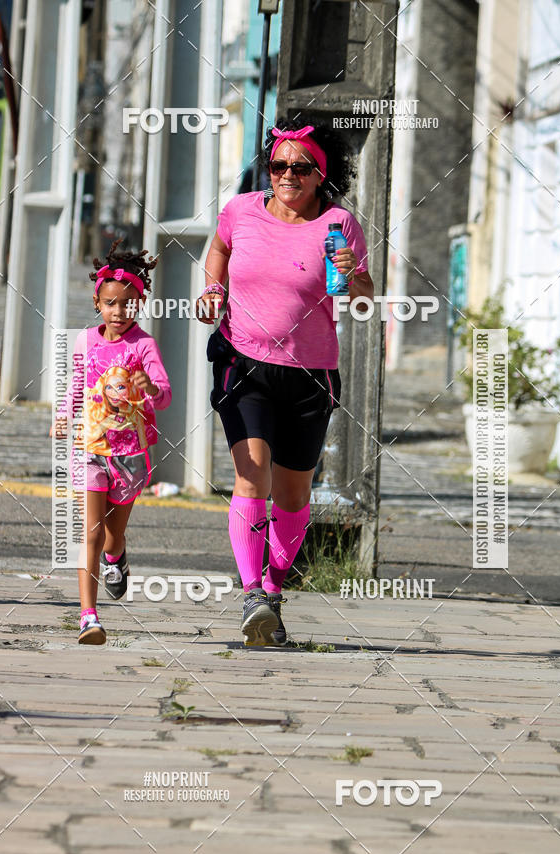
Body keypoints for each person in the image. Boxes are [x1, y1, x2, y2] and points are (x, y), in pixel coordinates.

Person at [197, 115, 374, 647]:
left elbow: (362, 301)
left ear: (321, 174)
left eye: (301, 167)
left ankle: (272, 591)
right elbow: (220, 251)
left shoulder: (339, 225)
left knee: (294, 494)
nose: (287, 175)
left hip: (310, 374)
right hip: (243, 361)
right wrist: (213, 290)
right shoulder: (241, 211)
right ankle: (252, 590)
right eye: (279, 165)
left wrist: (358, 275)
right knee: (252, 476)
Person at [51, 240, 171, 645]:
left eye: (128, 304)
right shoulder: (85, 342)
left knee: (112, 535)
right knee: (90, 533)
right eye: (110, 304)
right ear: (97, 302)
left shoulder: (144, 346)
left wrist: (149, 385)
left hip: (131, 456)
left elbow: (166, 395)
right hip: (90, 449)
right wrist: (64, 416)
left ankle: (117, 557)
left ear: (140, 303)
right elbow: (76, 385)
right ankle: (88, 616)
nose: (119, 312)